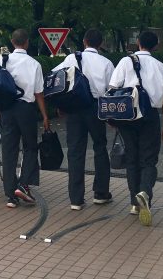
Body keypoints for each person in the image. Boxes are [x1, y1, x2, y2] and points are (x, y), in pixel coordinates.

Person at [108, 30, 163, 226]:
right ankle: (145, 191)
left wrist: (113, 119)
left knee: (132, 159)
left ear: (137, 43)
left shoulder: (125, 62)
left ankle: (134, 204)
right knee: (149, 160)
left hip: (128, 116)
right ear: (155, 46)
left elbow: (112, 89)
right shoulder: (161, 67)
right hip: (150, 116)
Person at [53, 28, 115, 210]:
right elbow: (111, 90)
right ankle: (101, 193)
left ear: (84, 42)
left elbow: (56, 79)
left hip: (73, 109)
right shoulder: (106, 63)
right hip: (96, 108)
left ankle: (76, 199)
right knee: (100, 147)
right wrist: (111, 117)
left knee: (75, 151)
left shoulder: (71, 58)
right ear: (101, 43)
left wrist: (61, 104)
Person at [0, 29, 51, 208]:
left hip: (6, 108)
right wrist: (44, 115)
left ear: (12, 42)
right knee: (30, 146)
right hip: (26, 109)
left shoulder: (1, 60)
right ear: (26, 43)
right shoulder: (34, 64)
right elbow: (39, 93)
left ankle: (11, 194)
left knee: (9, 150)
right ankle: (24, 184)